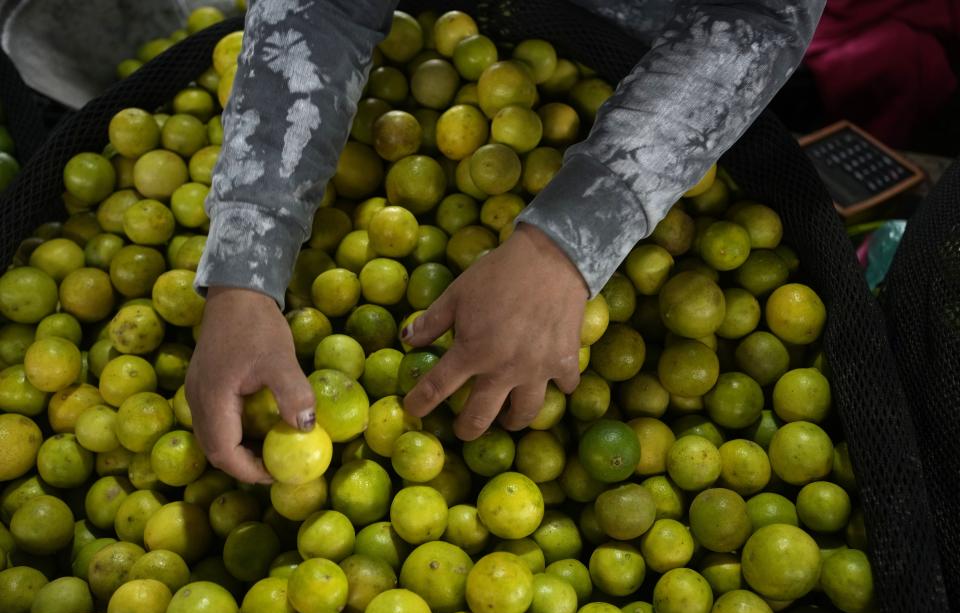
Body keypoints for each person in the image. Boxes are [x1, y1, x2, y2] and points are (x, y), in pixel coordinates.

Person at [185, 0, 826, 483]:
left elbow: (758, 15)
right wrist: (247, 259)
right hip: (472, 48)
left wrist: (570, 243)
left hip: (671, 72)